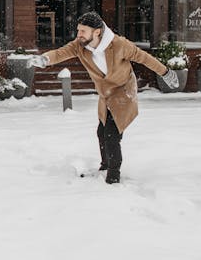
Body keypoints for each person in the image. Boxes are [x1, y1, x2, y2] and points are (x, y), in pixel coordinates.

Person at [29, 11, 179, 184]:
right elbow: (61, 53)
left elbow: (144, 58)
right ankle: (105, 166)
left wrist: (165, 72)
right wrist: (45, 59)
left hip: (123, 90)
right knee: (101, 131)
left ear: (97, 32)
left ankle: (113, 175)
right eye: (78, 30)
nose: (79, 35)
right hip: (106, 92)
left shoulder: (119, 45)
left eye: (83, 31)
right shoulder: (80, 45)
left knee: (111, 134)